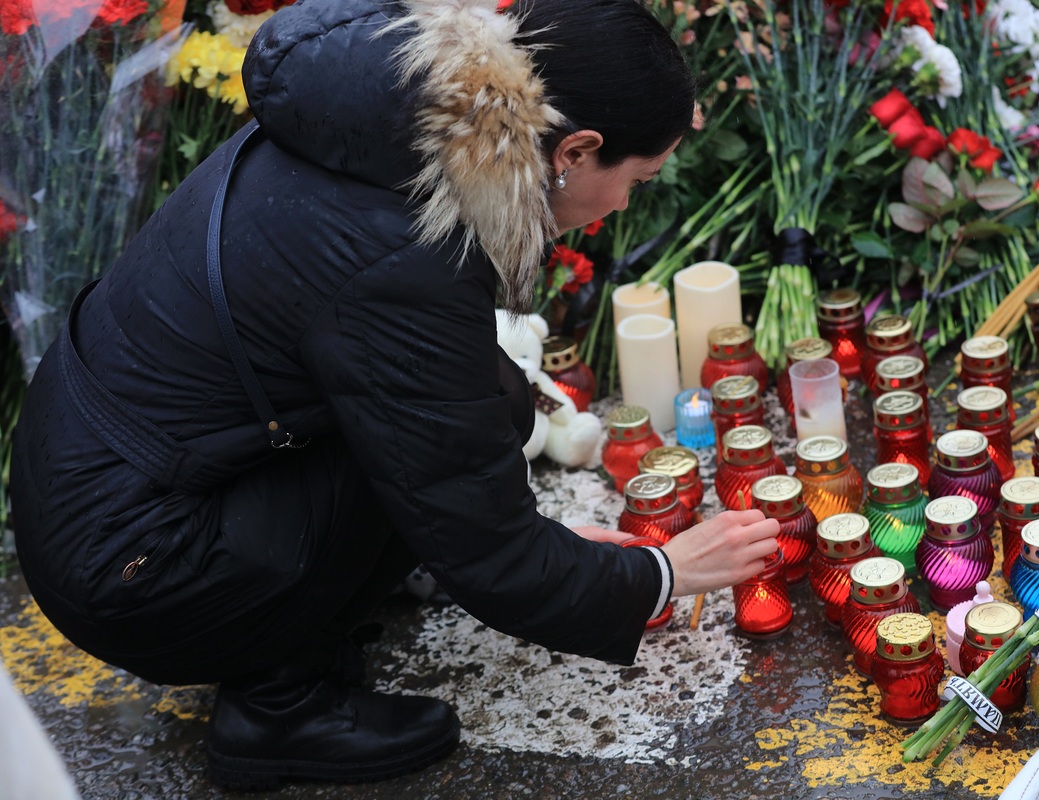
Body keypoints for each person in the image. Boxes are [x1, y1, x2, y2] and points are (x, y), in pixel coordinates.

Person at [9, 0, 781, 790]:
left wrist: (490, 544)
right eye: (637, 182)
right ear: (576, 150)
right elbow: (492, 552)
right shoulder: (402, 253)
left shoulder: (379, 122)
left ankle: (324, 601)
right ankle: (280, 711)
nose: (623, 207)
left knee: (488, 400)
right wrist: (660, 573)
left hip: (91, 469)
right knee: (438, 446)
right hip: (128, 562)